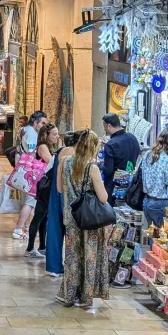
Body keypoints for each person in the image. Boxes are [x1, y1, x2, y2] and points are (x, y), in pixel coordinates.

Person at [57, 129, 111, 311]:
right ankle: (85, 296)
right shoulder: (92, 168)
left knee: (72, 257)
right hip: (90, 220)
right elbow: (103, 198)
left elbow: (59, 188)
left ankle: (68, 293)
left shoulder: (65, 162)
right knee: (89, 258)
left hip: (71, 217)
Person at [44, 131, 80, 278]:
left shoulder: (58, 152)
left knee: (54, 229)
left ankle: (54, 267)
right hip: (71, 195)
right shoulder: (77, 155)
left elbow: (49, 171)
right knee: (73, 231)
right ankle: (73, 265)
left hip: (55, 193)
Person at [25, 124, 60, 260]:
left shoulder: (50, 147)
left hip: (47, 187)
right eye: (54, 134)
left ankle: (42, 247)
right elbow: (52, 163)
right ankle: (30, 248)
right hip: (43, 187)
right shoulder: (43, 147)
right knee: (38, 217)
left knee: (44, 218)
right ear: (47, 135)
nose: (57, 137)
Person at [12, 111, 48, 240]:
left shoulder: (23, 129)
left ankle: (26, 228)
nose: (43, 126)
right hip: (30, 171)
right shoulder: (33, 134)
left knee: (25, 201)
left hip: (21, 168)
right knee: (30, 202)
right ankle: (18, 228)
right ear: (35, 122)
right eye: (42, 123)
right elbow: (32, 154)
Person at [140, 127, 168, 233]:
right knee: (163, 239)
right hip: (161, 205)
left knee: (153, 236)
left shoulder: (148, 155)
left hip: (147, 202)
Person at [100, 113, 141, 195]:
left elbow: (108, 170)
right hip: (130, 183)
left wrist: (98, 164)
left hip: (114, 187)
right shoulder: (132, 137)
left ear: (109, 126)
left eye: (104, 127)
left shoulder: (111, 145)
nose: (105, 130)